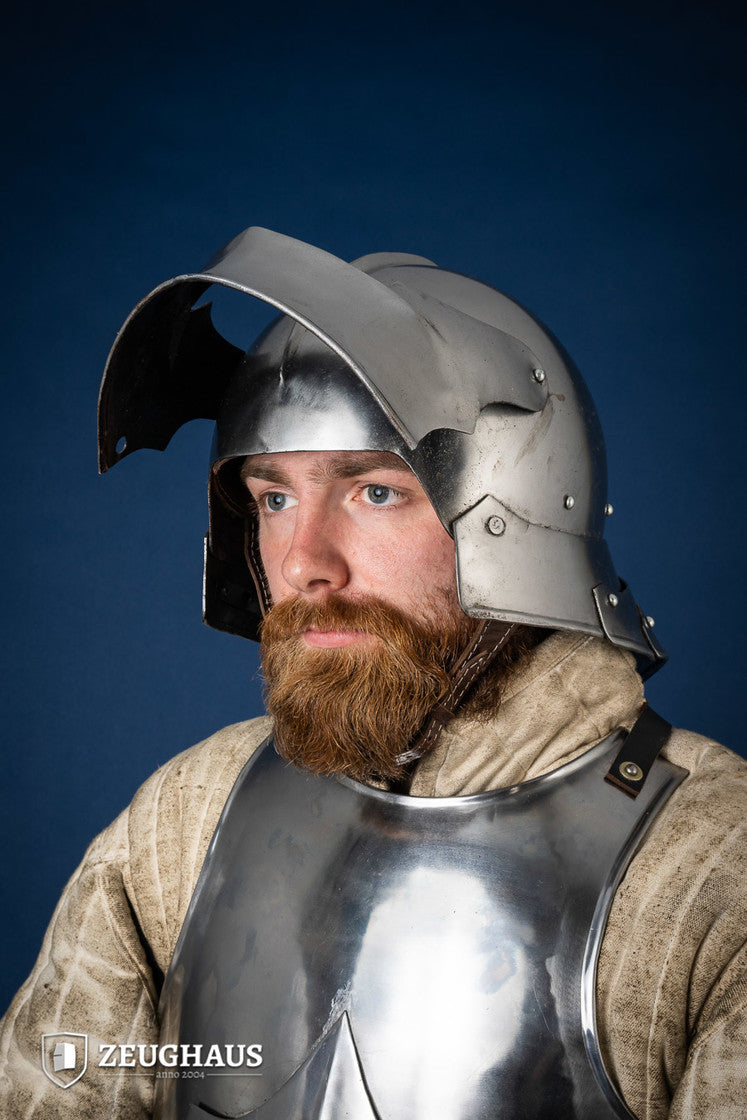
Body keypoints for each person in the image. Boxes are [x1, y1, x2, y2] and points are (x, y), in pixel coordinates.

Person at [0, 226, 744, 1120]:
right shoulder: (184, 819)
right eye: (273, 498)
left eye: (374, 492)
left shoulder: (709, 865)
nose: (306, 562)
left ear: (515, 514)